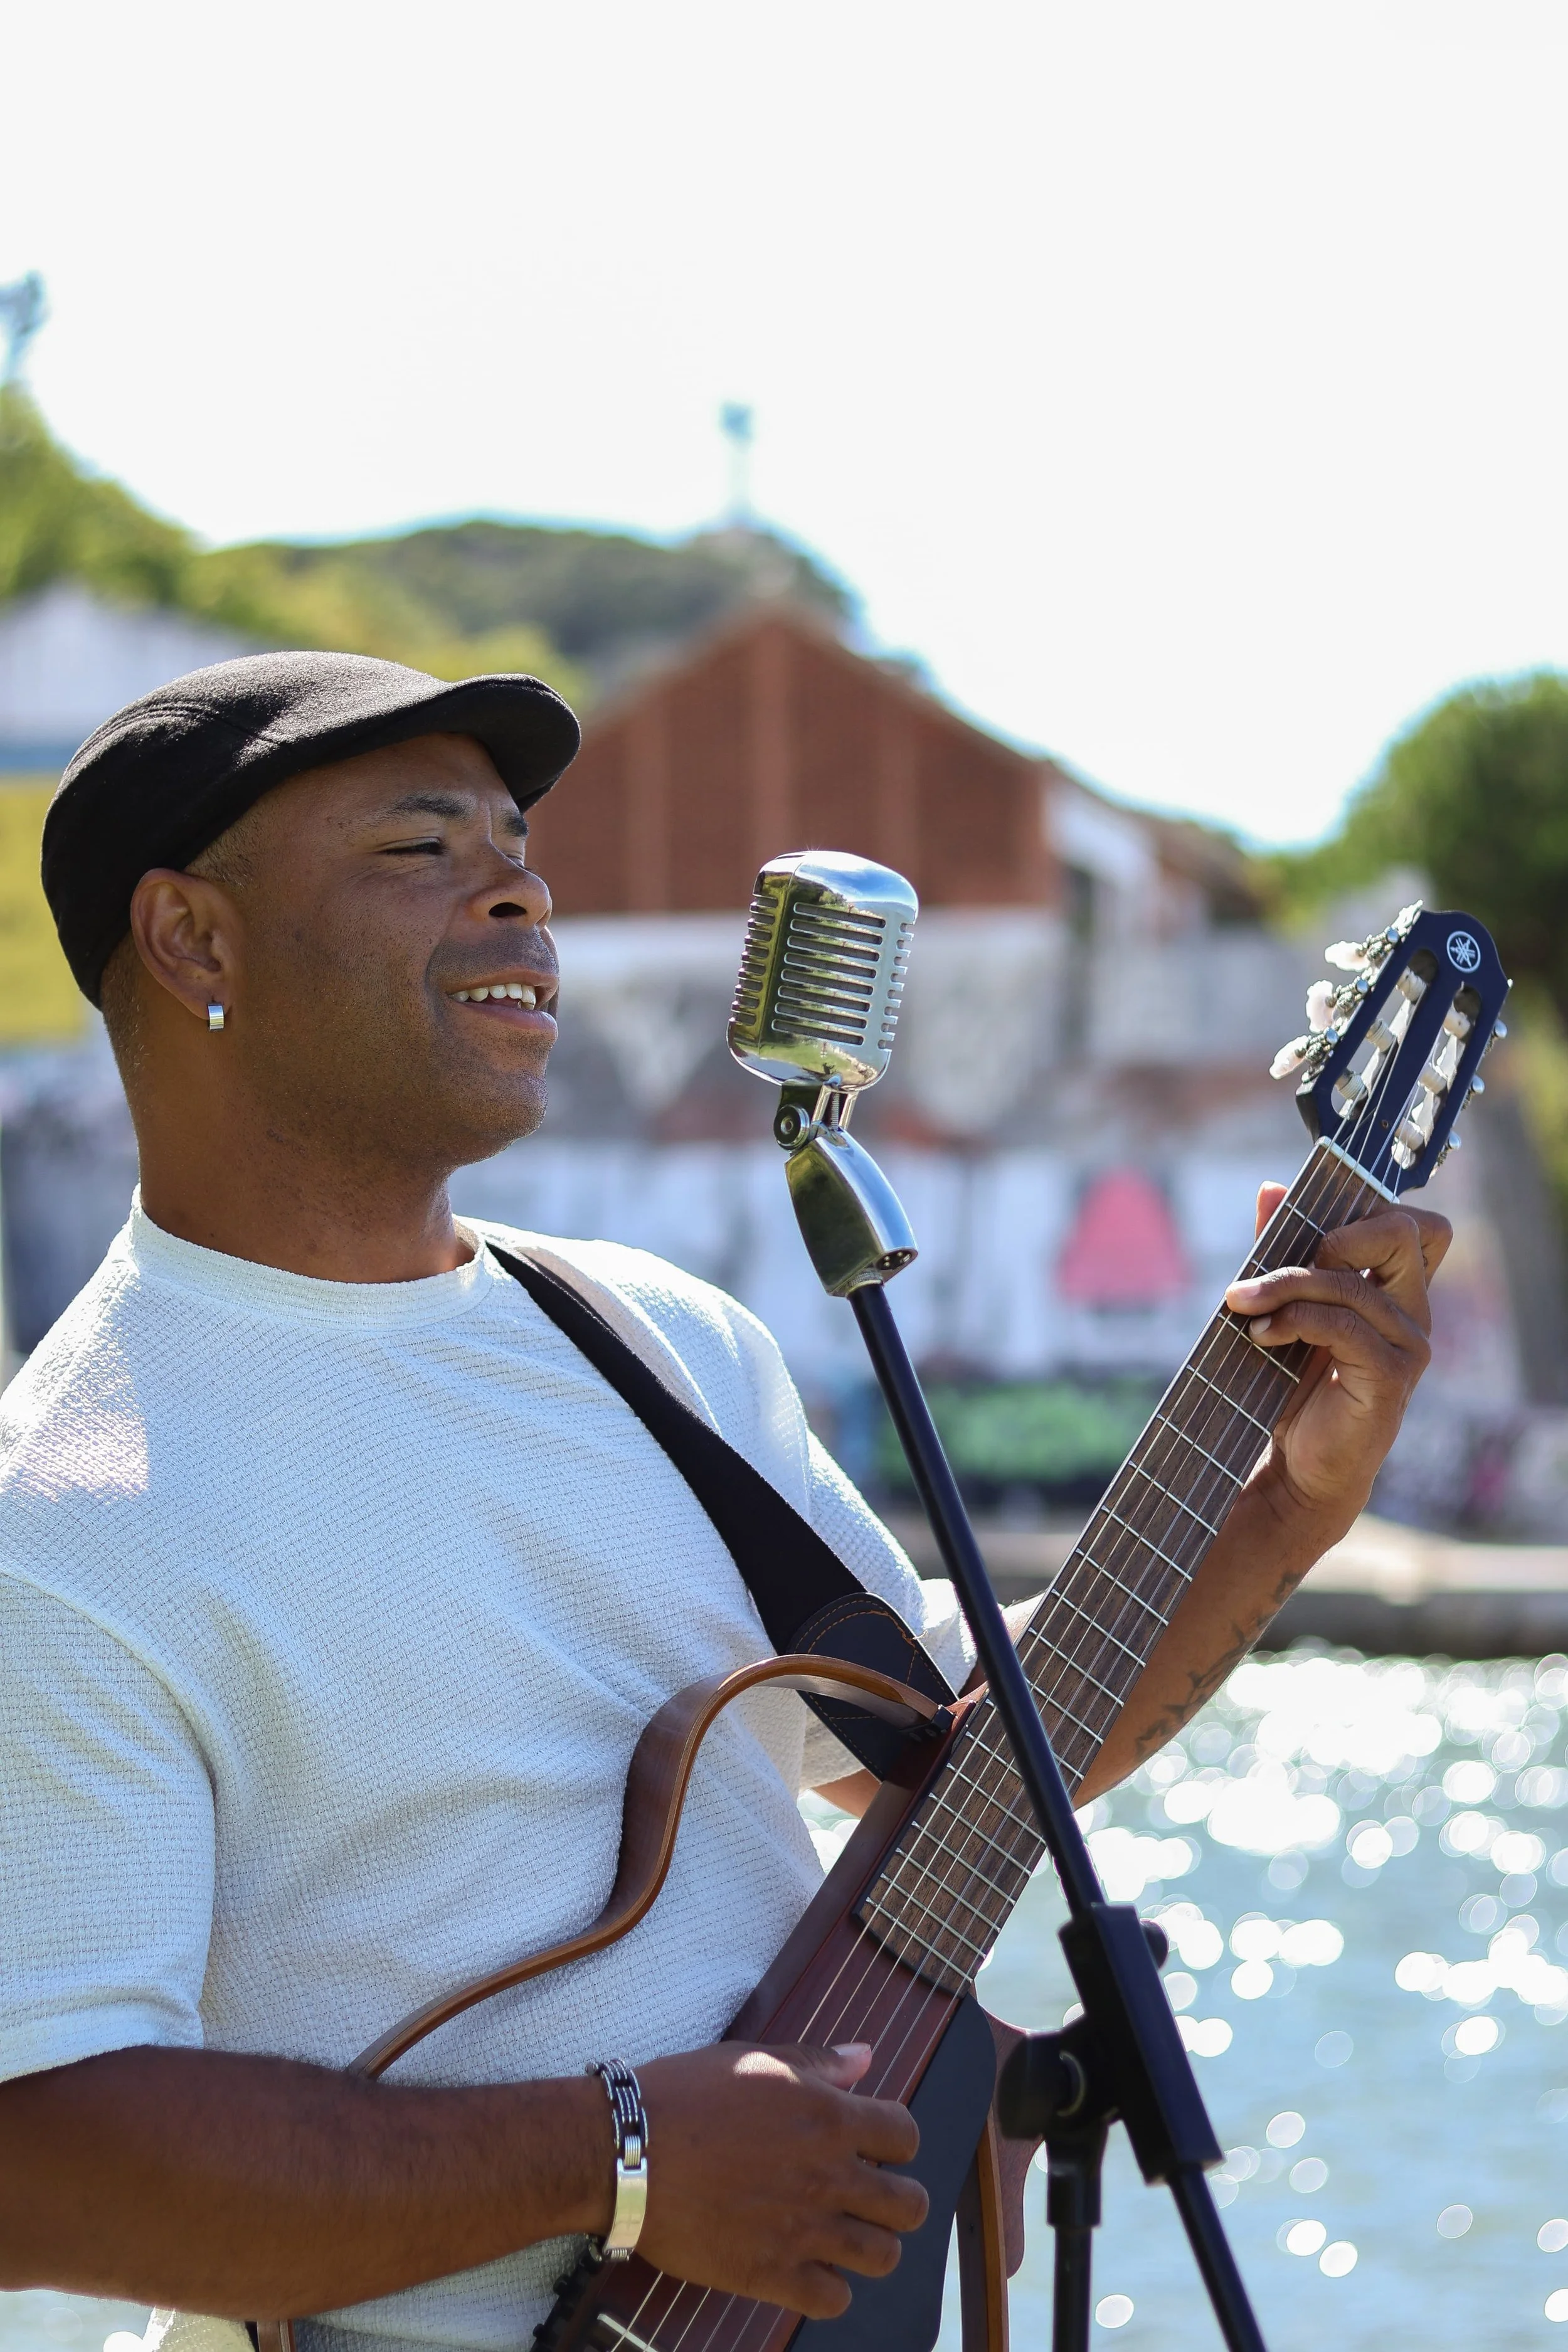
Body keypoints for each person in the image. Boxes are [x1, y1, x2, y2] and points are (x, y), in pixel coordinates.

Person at [0, 653, 1448, 2352]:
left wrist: (1287, 1503)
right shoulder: (68, 1522)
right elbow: (46, 2162)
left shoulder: (660, 1341)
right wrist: (617, 2162)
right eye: (422, 847)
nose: (522, 885)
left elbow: (961, 1767)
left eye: (519, 842)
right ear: (194, 941)